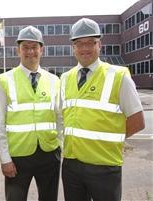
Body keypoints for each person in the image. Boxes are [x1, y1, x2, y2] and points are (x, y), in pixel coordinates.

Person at [60, 18, 145, 201]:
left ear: (100, 44)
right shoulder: (65, 78)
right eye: (79, 44)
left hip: (104, 167)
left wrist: (109, 141)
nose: (85, 48)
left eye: (91, 42)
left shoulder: (118, 75)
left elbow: (137, 121)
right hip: (71, 166)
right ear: (73, 47)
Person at [0, 25, 61, 201]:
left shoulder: (54, 81)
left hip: (49, 153)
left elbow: (60, 118)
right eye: (25, 47)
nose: (30, 51)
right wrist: (5, 158)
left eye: (34, 47)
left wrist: (61, 147)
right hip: (17, 156)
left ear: (42, 50)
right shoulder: (4, 80)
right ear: (18, 50)